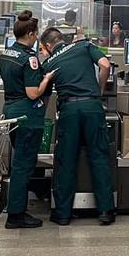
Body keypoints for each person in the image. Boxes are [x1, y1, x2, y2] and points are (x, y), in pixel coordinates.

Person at [40, 26, 114, 226]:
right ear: (62, 39)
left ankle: (62, 214)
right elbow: (105, 65)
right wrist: (98, 91)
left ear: (48, 46)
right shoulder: (84, 46)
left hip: (69, 110)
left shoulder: (49, 63)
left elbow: (42, 93)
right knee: (99, 157)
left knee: (66, 161)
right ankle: (106, 211)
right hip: (92, 106)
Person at [0, 11, 57, 229]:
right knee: (24, 165)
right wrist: (47, 78)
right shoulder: (29, 58)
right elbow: (33, 92)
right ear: (31, 34)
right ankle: (16, 214)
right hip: (27, 114)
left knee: (18, 163)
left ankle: (16, 207)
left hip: (11, 110)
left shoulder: (7, 54)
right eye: (36, 34)